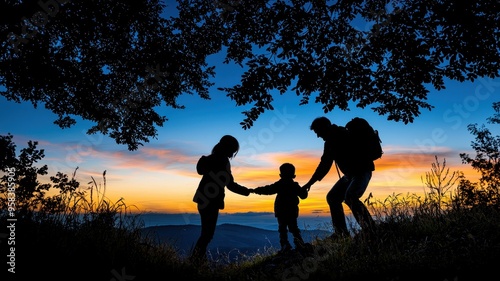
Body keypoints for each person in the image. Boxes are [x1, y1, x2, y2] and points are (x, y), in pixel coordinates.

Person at [302, 117, 376, 239]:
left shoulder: (341, 135)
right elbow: (324, 165)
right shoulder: (332, 140)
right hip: (350, 175)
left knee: (350, 197)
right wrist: (309, 184)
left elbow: (324, 165)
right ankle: (341, 233)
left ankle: (370, 229)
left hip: (362, 171)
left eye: (318, 132)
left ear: (324, 127)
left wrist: (309, 184)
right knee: (333, 197)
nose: (318, 136)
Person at [190, 135, 251, 263]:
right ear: (228, 149)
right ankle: (195, 261)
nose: (232, 154)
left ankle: (199, 260)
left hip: (203, 199)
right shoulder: (223, 162)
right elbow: (230, 184)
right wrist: (247, 191)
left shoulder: (210, 159)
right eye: (233, 151)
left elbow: (202, 171)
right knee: (207, 234)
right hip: (211, 201)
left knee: (206, 234)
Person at [249, 163, 309, 253]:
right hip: (292, 211)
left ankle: (285, 245)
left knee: (282, 229)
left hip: (281, 211)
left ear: (281, 174)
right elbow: (303, 196)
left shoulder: (280, 184)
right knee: (293, 228)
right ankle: (299, 244)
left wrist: (256, 190)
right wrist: (305, 190)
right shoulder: (294, 186)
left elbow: (268, 189)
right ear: (293, 175)